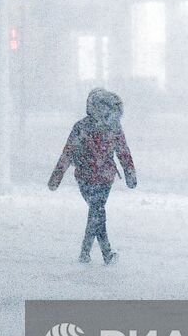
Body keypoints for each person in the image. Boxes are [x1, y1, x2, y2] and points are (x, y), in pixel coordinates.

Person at [48, 88, 137, 264]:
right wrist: (129, 174)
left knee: (96, 211)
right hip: (98, 176)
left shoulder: (84, 127)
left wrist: (56, 178)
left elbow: (68, 153)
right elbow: (123, 153)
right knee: (97, 211)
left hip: (90, 177)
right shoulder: (102, 127)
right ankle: (100, 253)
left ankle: (91, 253)